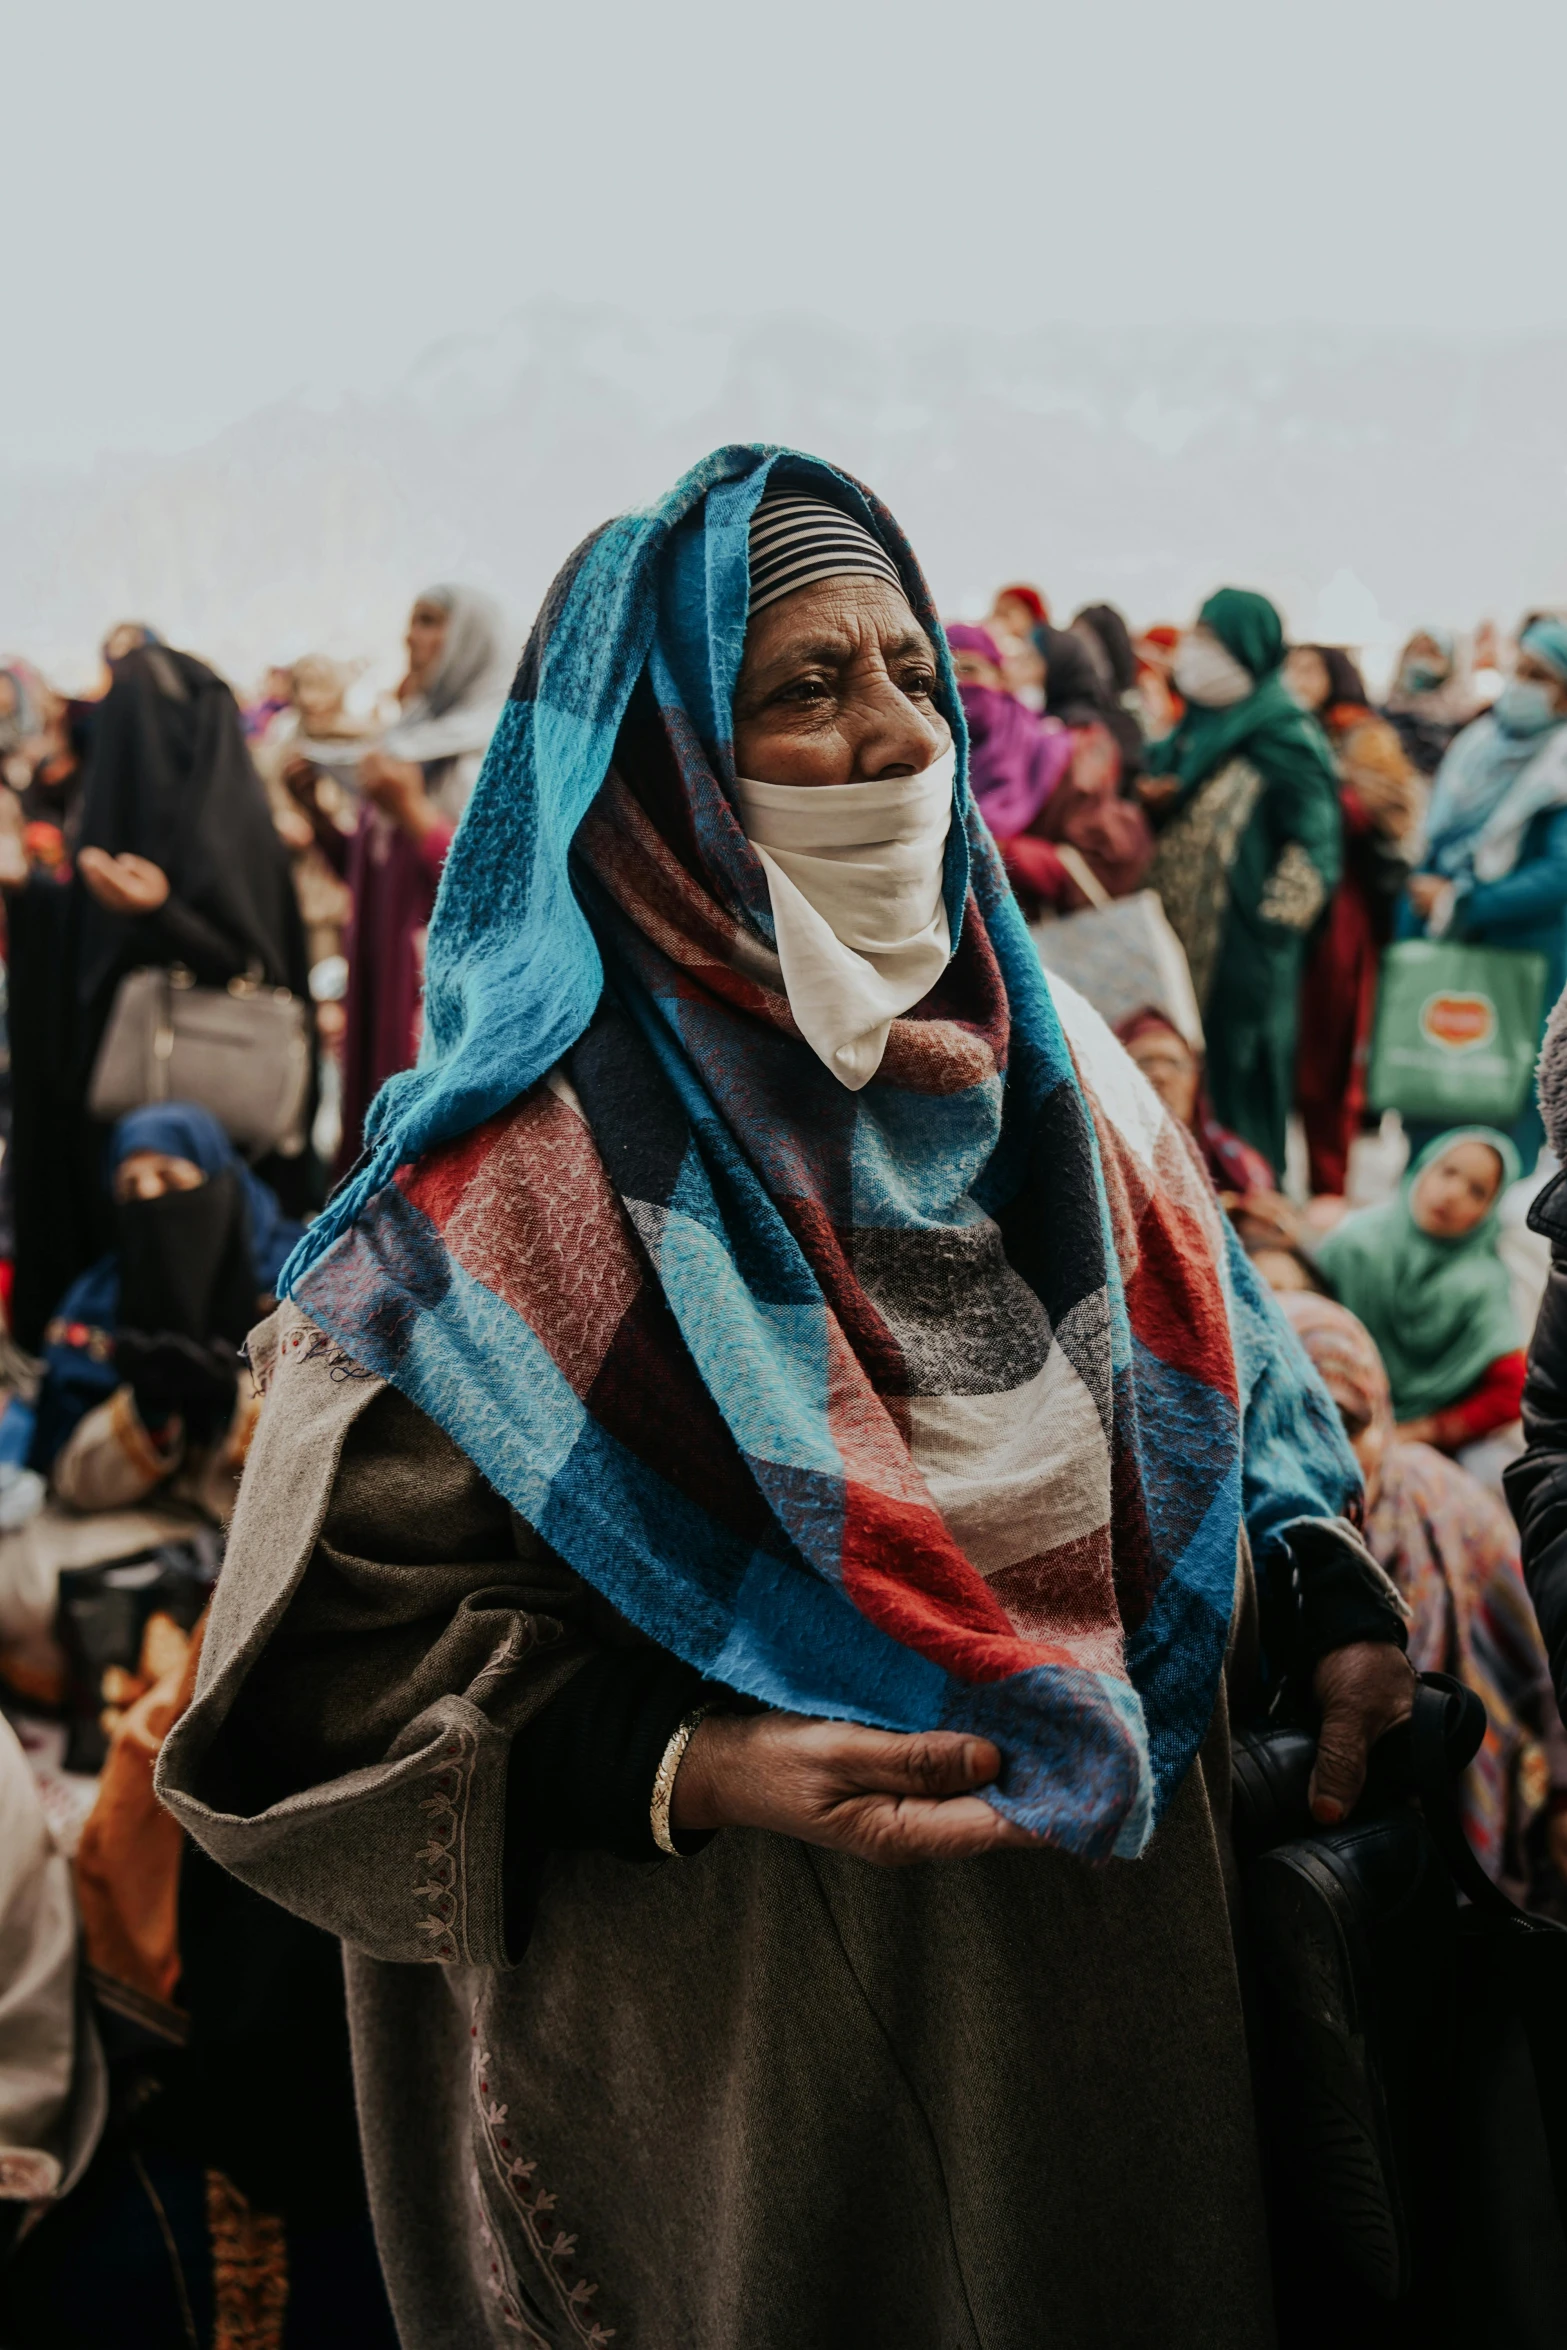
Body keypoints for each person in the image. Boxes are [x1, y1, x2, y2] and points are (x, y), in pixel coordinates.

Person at [159, 450, 1410, 2350]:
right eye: (802, 689)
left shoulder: (1063, 1088)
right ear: (660, 759)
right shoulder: (499, 1197)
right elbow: (310, 1687)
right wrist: (672, 1763)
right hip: (741, 2111)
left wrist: (1316, 1592)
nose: (893, 734)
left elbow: (1240, 1414)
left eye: (912, 673)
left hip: (1138, 2044)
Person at [3, 643, 312, 1350]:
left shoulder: (238, 836)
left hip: (222, 1125)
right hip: (114, 1119)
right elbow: (79, 960)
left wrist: (160, 913)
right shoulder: (104, 826)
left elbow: (260, 969)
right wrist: (32, 897)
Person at [1280, 1291, 1567, 1889]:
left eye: (1346, 1423)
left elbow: (1547, 1654)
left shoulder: (1445, 1503)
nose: (1327, 1454)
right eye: (1294, 1424)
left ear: (1383, 1417)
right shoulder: (1246, 1555)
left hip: (1481, 1830)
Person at [283, 585, 507, 1176]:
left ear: (472, 643)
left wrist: (412, 812)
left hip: (435, 999)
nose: (413, 638)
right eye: (413, 622)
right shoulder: (409, 740)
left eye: (432, 623)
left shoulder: (488, 753)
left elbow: (498, 887)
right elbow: (382, 875)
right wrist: (321, 823)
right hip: (381, 979)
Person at [1141, 589, 1343, 1177]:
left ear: (1248, 649)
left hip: (1244, 954)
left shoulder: (1285, 733)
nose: (1194, 649)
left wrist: (1270, 939)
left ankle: (1247, 1219)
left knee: (1238, 1080)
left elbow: (1316, 847)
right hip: (1179, 943)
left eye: (1211, 638)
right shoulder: (1195, 730)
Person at [23, 1103, 301, 1522]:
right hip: (139, 1530)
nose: (151, 1201)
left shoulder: (300, 1281)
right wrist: (145, 1417)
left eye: (171, 1179)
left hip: (271, 1530)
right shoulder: (96, 1302)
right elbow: (62, 1475)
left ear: (222, 1181)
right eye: (130, 1191)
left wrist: (236, 1404)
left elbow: (342, 1451)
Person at [1400, 615, 1567, 1171]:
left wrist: (1460, 900)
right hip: (1445, 951)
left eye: (1538, 675)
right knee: (1430, 1085)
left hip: (1519, 961)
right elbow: (1436, 842)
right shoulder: (1478, 744)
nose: (1519, 684)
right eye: (1518, 668)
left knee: (1496, 1101)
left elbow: (1558, 873)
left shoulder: (1559, 766)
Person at [1314, 1128, 1525, 1451]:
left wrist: (1425, 1432)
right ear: (1424, 1168)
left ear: (1488, 1212)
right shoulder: (1354, 1246)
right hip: (1322, 1416)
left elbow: (1512, 1390)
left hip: (1414, 1445)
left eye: (1477, 1191)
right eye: (1448, 1171)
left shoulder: (1483, 1284)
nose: (1453, 1192)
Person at [1294, 714, 1421, 1195]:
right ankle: (1328, 1184)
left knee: (1326, 1069)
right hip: (1355, 944)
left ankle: (1327, 1185)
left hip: (1336, 945)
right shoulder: (1383, 809)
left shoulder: (1346, 807)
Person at [1114, 1006, 1276, 1198]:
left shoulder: (1229, 1160)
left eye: (1174, 1063)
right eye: (1145, 1063)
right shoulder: (1104, 1162)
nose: (1161, 1075)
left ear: (1195, 1080)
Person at [1382, 628, 1486, 778]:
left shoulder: (1467, 728)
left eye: (1431, 653)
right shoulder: (1388, 720)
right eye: (1417, 652)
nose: (1422, 661)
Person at [1280, 642, 1371, 744]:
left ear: (1334, 675)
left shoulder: (1357, 727)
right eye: (1290, 668)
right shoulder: (1287, 722)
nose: (1295, 680)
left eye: (1308, 670)